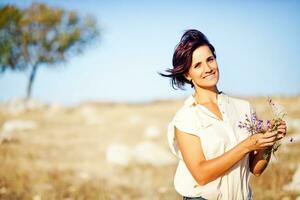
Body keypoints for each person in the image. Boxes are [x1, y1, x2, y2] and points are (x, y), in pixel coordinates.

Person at [159, 29, 287, 200]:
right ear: (187, 74)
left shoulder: (244, 108)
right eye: (198, 65)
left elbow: (255, 170)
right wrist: (247, 145)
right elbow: (201, 174)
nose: (208, 68)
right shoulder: (186, 118)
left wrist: (268, 142)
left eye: (210, 59)